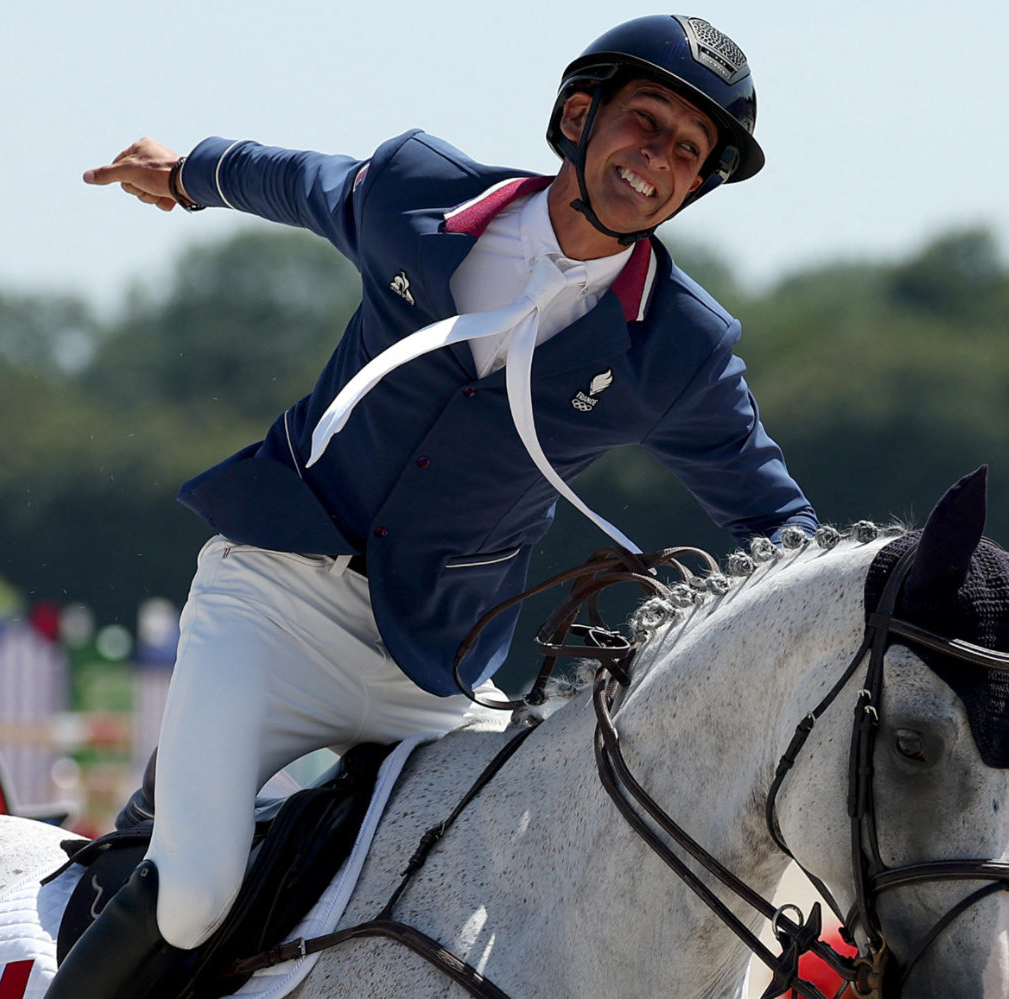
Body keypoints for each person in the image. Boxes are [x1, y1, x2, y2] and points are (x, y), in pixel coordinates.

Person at [54, 14, 817, 997]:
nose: (655, 160)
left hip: (436, 676)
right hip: (275, 607)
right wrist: (190, 170)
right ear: (578, 116)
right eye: (644, 122)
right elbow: (300, 182)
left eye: (685, 152)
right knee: (195, 895)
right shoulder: (419, 191)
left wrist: (863, 610)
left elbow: (769, 518)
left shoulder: (676, 350)